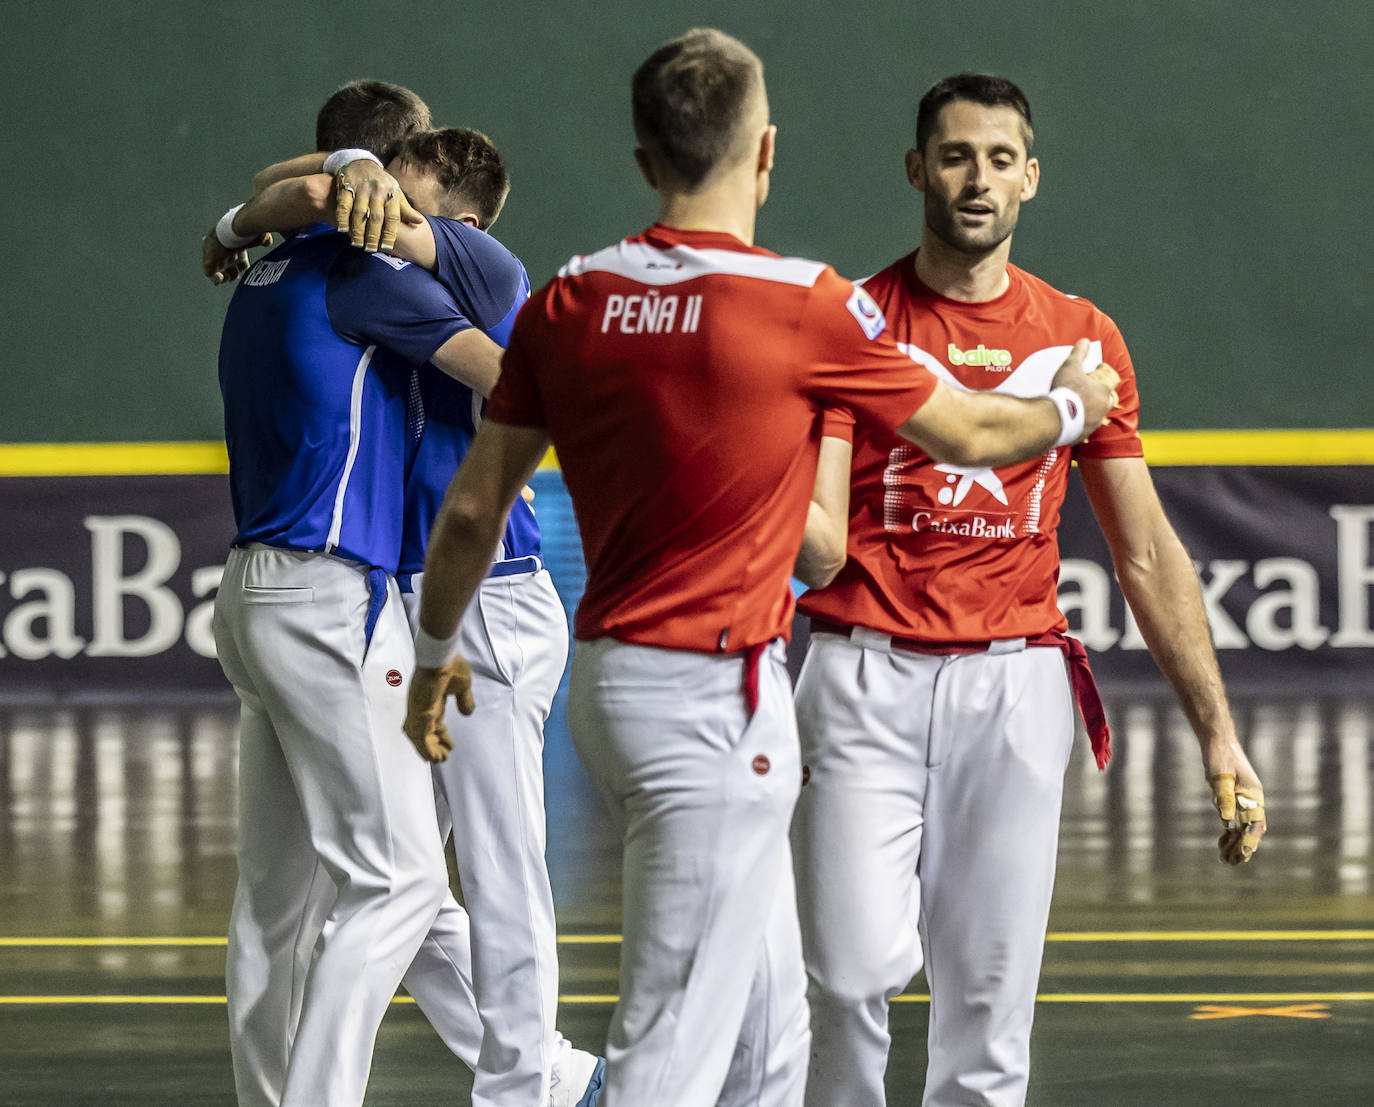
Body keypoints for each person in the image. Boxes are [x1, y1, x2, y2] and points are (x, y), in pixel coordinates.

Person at [396, 30, 1118, 1107]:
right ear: (765, 152)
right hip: (715, 694)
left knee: (775, 1015)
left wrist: (434, 654)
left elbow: (469, 512)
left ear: (645, 158)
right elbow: (967, 434)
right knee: (677, 1024)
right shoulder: (801, 303)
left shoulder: (572, 299)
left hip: (608, 684)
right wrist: (1072, 407)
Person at [790, 73, 1268, 1107]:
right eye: (956, 155)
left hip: (1015, 691)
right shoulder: (854, 321)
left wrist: (1219, 736)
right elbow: (818, 543)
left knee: (991, 1003)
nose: (977, 178)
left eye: (1001, 159)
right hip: (859, 679)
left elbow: (1145, 553)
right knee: (847, 975)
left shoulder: (1084, 338)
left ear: (1031, 179)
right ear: (917, 169)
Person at [213, 107, 603, 1106]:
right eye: (380, 186)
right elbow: (292, 188)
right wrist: (277, 202)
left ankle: (534, 1079)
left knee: (460, 869)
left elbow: (527, 381)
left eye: (402, 197)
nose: (386, 209)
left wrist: (235, 226)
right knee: (398, 881)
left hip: (482, 597)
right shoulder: (348, 270)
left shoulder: (454, 266)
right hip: (372, 597)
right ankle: (542, 1075)